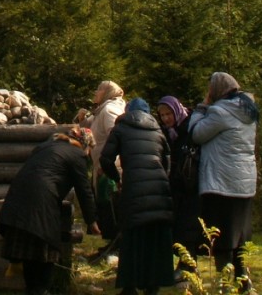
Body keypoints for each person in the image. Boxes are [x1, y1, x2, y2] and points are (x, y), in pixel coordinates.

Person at [0, 127, 101, 295]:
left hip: (17, 200)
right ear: (84, 145)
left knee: (30, 261)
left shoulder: (45, 147)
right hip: (41, 204)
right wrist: (92, 221)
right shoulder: (76, 154)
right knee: (44, 263)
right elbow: (84, 190)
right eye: (89, 149)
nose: (88, 154)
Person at [188, 72, 259, 293]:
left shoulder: (219, 112)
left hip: (221, 183)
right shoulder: (249, 111)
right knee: (240, 235)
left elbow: (196, 134)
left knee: (222, 236)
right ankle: (244, 280)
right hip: (244, 182)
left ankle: (226, 283)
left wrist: (201, 108)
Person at [100, 97, 175, 295]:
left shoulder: (120, 128)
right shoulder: (157, 130)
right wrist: (162, 177)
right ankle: (153, 286)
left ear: (127, 112)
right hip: (159, 187)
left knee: (132, 236)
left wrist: (117, 178)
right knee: (155, 236)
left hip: (134, 187)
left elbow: (105, 159)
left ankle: (130, 286)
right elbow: (167, 159)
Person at [158, 95, 202, 284]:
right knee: (179, 227)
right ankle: (185, 265)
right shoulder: (168, 132)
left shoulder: (189, 127)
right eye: (162, 115)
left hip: (191, 185)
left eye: (168, 114)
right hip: (176, 185)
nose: (166, 118)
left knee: (188, 227)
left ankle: (188, 266)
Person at [77, 80, 127, 241]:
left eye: (99, 89)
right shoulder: (101, 110)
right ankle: (110, 243)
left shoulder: (110, 109)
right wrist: (82, 119)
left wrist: (109, 163)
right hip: (102, 165)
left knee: (111, 206)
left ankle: (116, 245)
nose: (95, 92)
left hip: (109, 167)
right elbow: (90, 126)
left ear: (107, 93)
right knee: (105, 206)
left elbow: (116, 136)